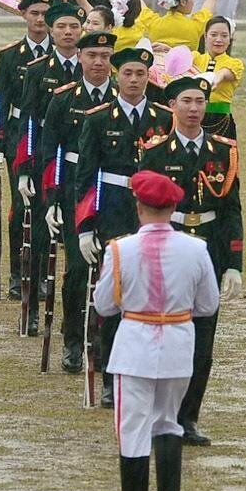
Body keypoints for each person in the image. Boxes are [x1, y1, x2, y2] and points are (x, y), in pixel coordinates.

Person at [92, 170, 220, 491]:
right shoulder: (196, 249)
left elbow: (104, 305)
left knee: (132, 431)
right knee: (169, 423)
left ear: (138, 206)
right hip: (179, 345)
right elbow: (208, 304)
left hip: (135, 346)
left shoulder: (120, 250)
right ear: (174, 207)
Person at [130, 74, 244, 445]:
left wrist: (233, 264)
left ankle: (188, 417)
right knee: (163, 332)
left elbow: (231, 210)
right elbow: (145, 208)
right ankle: (160, 413)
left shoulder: (223, 151)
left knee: (203, 337)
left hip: (208, 248)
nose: (194, 109)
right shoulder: (156, 151)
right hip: (168, 244)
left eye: (199, 101)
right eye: (186, 102)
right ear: (172, 106)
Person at [75, 43, 172, 389]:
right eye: (128, 73)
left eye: (140, 74)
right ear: (117, 76)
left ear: (149, 77)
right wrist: (86, 227)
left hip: (154, 215)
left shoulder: (163, 119)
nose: (134, 80)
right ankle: (110, 377)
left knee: (153, 291)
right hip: (114, 209)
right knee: (115, 294)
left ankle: (149, 368)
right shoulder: (100, 118)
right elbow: (85, 176)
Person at [39, 31, 116, 373]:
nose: (99, 61)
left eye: (105, 54)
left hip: (113, 194)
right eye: (92, 55)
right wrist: (52, 199)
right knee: (77, 270)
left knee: (111, 270)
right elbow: (50, 152)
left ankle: (102, 338)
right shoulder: (64, 99)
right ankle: (73, 339)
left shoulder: (122, 98)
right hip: (74, 192)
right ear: (80, 57)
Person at [16, 1, 86, 328]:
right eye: (62, 27)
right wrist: (24, 169)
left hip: (79, 161)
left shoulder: (92, 69)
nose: (68, 32)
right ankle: (30, 308)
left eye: (74, 27)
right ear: (52, 31)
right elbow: (28, 122)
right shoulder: (38, 70)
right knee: (41, 237)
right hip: (46, 161)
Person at [0, 0, 53, 299]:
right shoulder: (10, 55)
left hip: (51, 137)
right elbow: (0, 100)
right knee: (21, 206)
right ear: (24, 15)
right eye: (34, 13)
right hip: (19, 136)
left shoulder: (63, 55)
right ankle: (18, 273)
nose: (40, 19)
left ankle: (40, 274)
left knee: (45, 208)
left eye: (45, 13)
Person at [134, 0, 218, 52]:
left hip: (158, 66)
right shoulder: (195, 24)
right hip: (188, 67)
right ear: (183, 2)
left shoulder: (154, 23)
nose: (193, 1)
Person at [196, 17, 246, 141]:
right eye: (213, 35)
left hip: (220, 120)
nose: (219, 40)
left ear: (230, 39)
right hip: (193, 117)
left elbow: (224, 73)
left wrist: (216, 80)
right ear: (205, 36)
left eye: (224, 36)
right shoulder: (195, 59)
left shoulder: (235, 63)